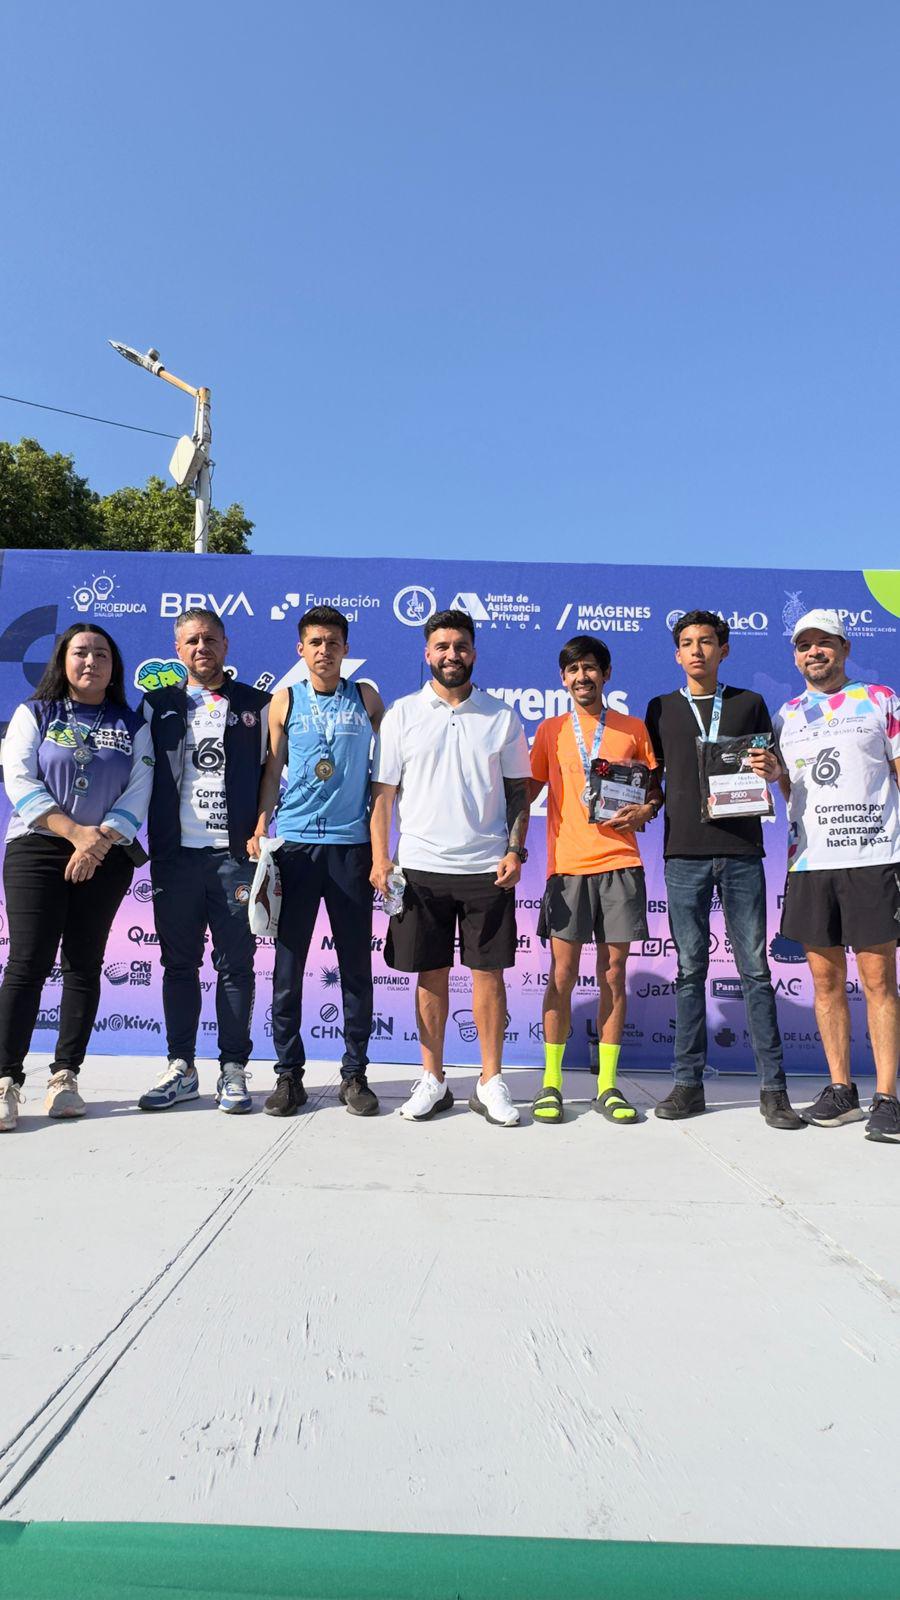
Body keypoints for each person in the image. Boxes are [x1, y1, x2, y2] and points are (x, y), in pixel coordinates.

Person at [644, 609, 804, 1130]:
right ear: (677, 654)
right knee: (690, 973)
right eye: (687, 643)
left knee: (756, 972)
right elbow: (652, 782)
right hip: (682, 854)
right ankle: (688, 1085)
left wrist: (772, 768)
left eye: (707, 642)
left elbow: (772, 767)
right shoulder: (660, 708)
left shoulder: (749, 704)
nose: (697, 651)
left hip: (740, 852)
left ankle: (773, 1091)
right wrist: (635, 806)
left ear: (724, 650)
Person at [370, 609, 531, 1126]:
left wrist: (515, 851)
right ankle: (433, 1079)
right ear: (427, 653)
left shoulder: (502, 716)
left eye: (460, 646)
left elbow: (518, 795)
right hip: (418, 869)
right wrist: (380, 858)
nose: (451, 655)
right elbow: (383, 798)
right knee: (428, 976)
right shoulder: (401, 715)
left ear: (473, 653)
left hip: (487, 867)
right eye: (441, 647)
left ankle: (490, 1081)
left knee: (489, 977)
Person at [0, 625, 153, 1131]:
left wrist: (99, 840)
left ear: (115, 666)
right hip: (38, 847)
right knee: (27, 963)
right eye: (81, 653)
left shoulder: (132, 723)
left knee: (84, 964)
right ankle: (5, 1081)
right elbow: (18, 776)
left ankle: (65, 1076)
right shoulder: (34, 712)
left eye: (102, 654)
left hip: (105, 851)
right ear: (62, 660)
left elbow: (139, 788)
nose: (92, 662)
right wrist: (74, 834)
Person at [761, 609, 900, 1144]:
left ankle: (887, 1096)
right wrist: (775, 779)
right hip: (811, 861)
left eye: (824, 643)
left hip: (872, 857)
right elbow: (792, 795)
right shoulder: (787, 715)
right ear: (795, 655)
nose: (813, 653)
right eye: (804, 646)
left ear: (843, 647)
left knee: (878, 981)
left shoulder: (881, 699)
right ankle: (842, 1089)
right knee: (824, 982)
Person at [250, 606, 385, 1117]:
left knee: (355, 966)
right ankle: (289, 1076)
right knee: (287, 968)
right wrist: (264, 822)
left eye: (332, 641)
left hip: (351, 848)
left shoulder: (366, 697)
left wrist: (381, 845)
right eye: (314, 642)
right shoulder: (284, 700)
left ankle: (355, 1074)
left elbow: (385, 773)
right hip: (297, 848)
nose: (324, 650)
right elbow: (272, 770)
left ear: (345, 648)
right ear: (300, 650)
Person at [137, 608, 270, 1115]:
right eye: (192, 641)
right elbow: (139, 776)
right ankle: (181, 1067)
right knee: (178, 966)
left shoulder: (258, 705)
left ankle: (233, 1069)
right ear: (178, 650)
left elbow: (272, 777)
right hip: (175, 858)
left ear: (226, 645)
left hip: (235, 858)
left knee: (236, 966)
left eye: (210, 639)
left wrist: (259, 829)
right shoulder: (156, 705)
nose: (202, 648)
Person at [528, 636, 661, 1124]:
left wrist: (647, 807)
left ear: (606, 674)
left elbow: (653, 789)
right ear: (562, 678)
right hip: (567, 868)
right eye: (572, 670)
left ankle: (607, 1086)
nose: (581, 677)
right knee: (561, 976)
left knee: (612, 976)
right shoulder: (549, 731)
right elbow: (525, 793)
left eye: (590, 668)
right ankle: (552, 1082)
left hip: (621, 863)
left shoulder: (632, 728)